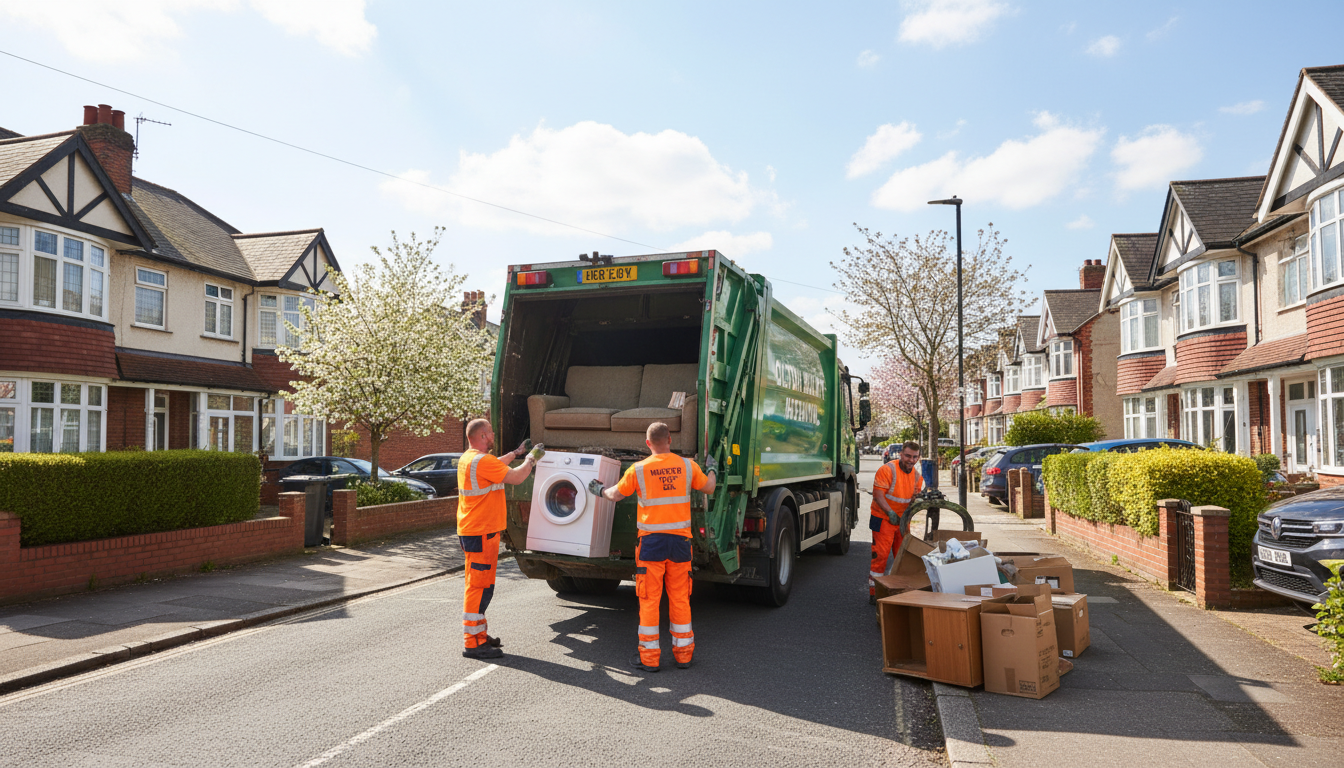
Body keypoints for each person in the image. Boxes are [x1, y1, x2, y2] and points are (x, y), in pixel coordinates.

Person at [589, 422, 716, 672]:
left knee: (649, 600)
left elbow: (615, 495)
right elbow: (709, 487)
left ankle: (649, 659)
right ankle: (684, 656)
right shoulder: (688, 466)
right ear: (670, 439)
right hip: (680, 544)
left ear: (648, 444)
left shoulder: (638, 469)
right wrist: (711, 469)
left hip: (651, 544)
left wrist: (599, 490)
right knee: (680, 598)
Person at [457, 418, 544, 660]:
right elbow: (516, 477)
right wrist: (531, 459)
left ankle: (480, 635)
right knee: (479, 587)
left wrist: (516, 452)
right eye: (491, 432)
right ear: (483, 436)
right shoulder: (481, 461)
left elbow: (496, 465)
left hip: (477, 531)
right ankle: (472, 643)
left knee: (481, 585)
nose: (494, 434)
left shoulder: (469, 458)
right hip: (481, 532)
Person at [868, 440, 924, 605]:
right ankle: (874, 591)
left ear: (918, 458)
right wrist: (890, 512)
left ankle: (898, 589)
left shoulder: (917, 477)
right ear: (901, 454)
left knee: (902, 557)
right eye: (907, 455)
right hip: (882, 518)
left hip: (901, 521)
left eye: (914, 457)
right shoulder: (887, 470)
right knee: (881, 555)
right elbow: (878, 495)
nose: (910, 460)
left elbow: (914, 498)